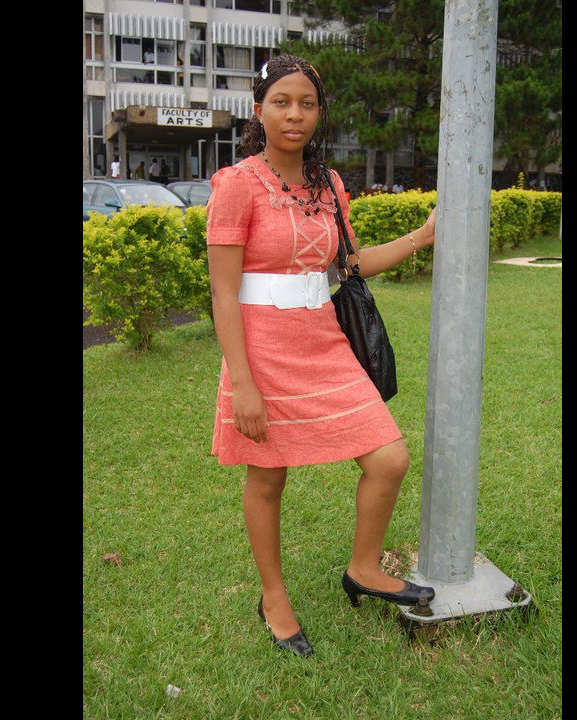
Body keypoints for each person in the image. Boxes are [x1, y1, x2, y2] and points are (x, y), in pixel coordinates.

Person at [205, 54, 437, 658]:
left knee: (388, 457)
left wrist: (422, 236)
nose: (295, 115)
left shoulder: (329, 185)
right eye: (282, 101)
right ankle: (273, 598)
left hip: (325, 340)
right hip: (260, 348)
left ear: (320, 113)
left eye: (307, 104)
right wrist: (243, 384)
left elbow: (349, 267)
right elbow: (223, 294)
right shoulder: (237, 184)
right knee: (268, 475)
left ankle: (363, 567)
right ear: (259, 110)